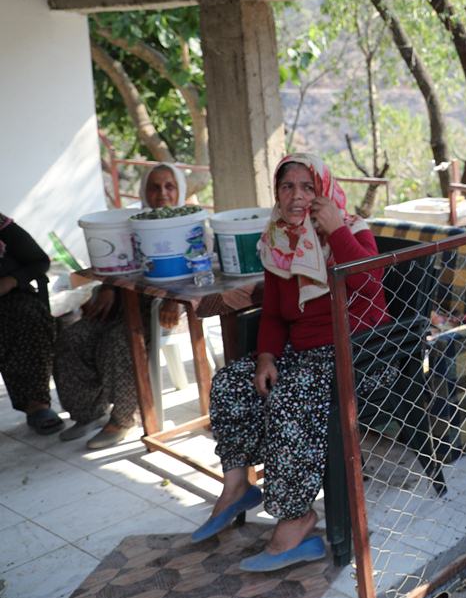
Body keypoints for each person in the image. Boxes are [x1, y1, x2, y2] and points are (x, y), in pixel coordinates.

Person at [192, 153, 388, 572]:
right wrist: (265, 356)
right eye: (287, 187)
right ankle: (237, 486)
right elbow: (277, 315)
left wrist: (334, 230)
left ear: (324, 190)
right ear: (277, 195)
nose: (297, 196)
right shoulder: (279, 243)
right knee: (231, 382)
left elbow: (369, 287)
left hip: (358, 352)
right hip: (302, 355)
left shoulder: (352, 231)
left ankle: (297, 518)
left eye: (307, 187)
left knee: (289, 397)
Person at [54, 164, 186, 449]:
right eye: (154, 187)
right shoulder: (130, 222)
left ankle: (124, 419)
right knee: (72, 337)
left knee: (121, 341)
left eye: (169, 186)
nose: (161, 193)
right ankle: (89, 412)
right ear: (144, 192)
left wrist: (173, 301)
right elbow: (116, 260)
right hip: (123, 303)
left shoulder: (188, 224)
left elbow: (199, 270)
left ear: (180, 191)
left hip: (160, 309)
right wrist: (107, 288)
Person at [0, 214, 60, 435]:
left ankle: (37, 405)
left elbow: (39, 261)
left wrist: (11, 281)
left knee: (28, 317)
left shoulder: (2, 226)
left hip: (11, 298)